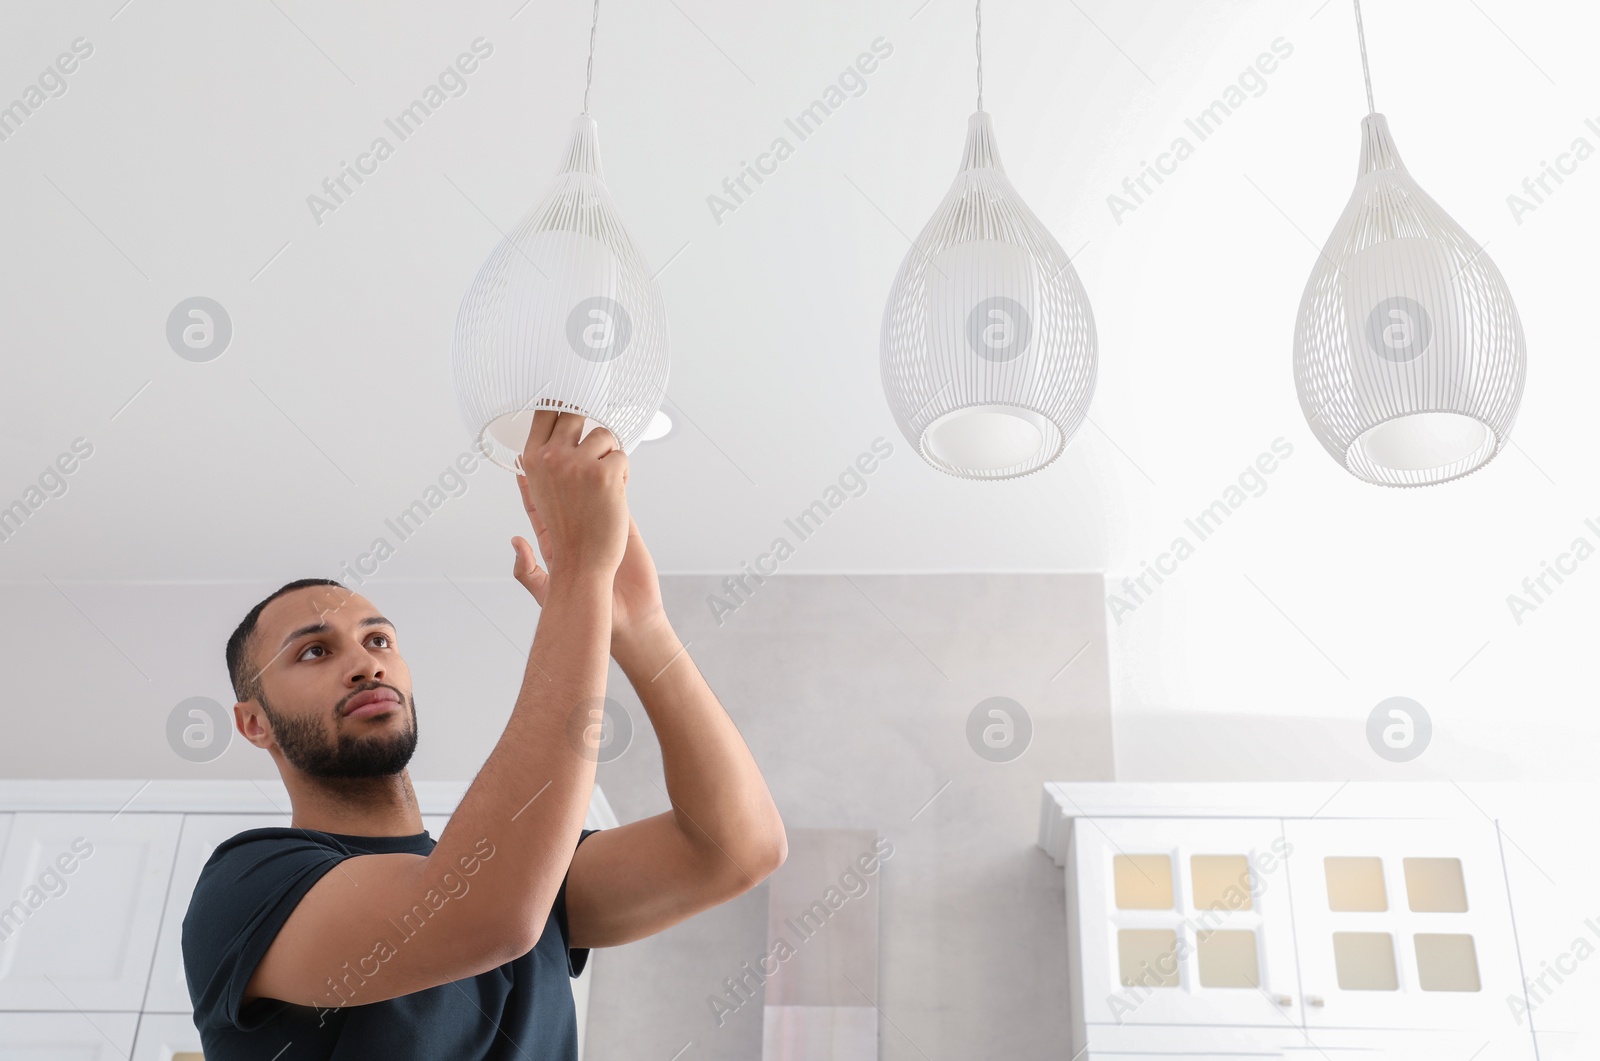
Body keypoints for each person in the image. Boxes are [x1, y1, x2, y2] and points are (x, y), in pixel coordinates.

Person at [182, 409, 787, 1059]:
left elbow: (736, 849)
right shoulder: (248, 884)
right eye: (313, 652)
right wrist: (580, 574)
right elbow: (487, 915)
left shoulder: (530, 869)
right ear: (254, 721)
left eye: (378, 638)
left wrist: (640, 630)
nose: (366, 662)